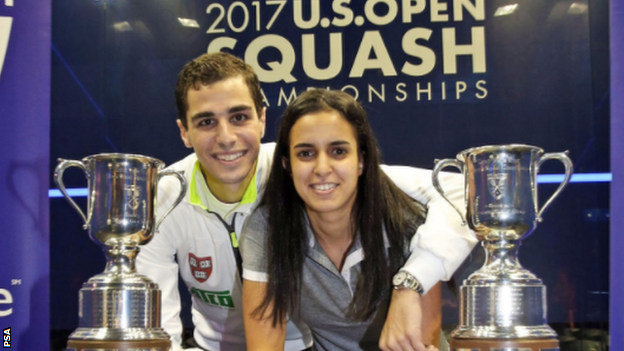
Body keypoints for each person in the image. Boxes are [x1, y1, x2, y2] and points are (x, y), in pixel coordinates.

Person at [136, 52, 476, 351]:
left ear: (261, 119)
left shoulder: (311, 171)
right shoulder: (163, 198)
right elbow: (155, 332)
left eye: (239, 117)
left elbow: (464, 190)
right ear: (184, 131)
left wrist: (410, 283)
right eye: (207, 121)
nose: (226, 138)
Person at [240, 89, 468, 351]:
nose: (322, 168)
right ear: (286, 165)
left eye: (338, 151)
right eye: (305, 153)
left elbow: (419, 342)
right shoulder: (266, 229)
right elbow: (264, 345)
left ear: (361, 160)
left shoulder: (407, 223)